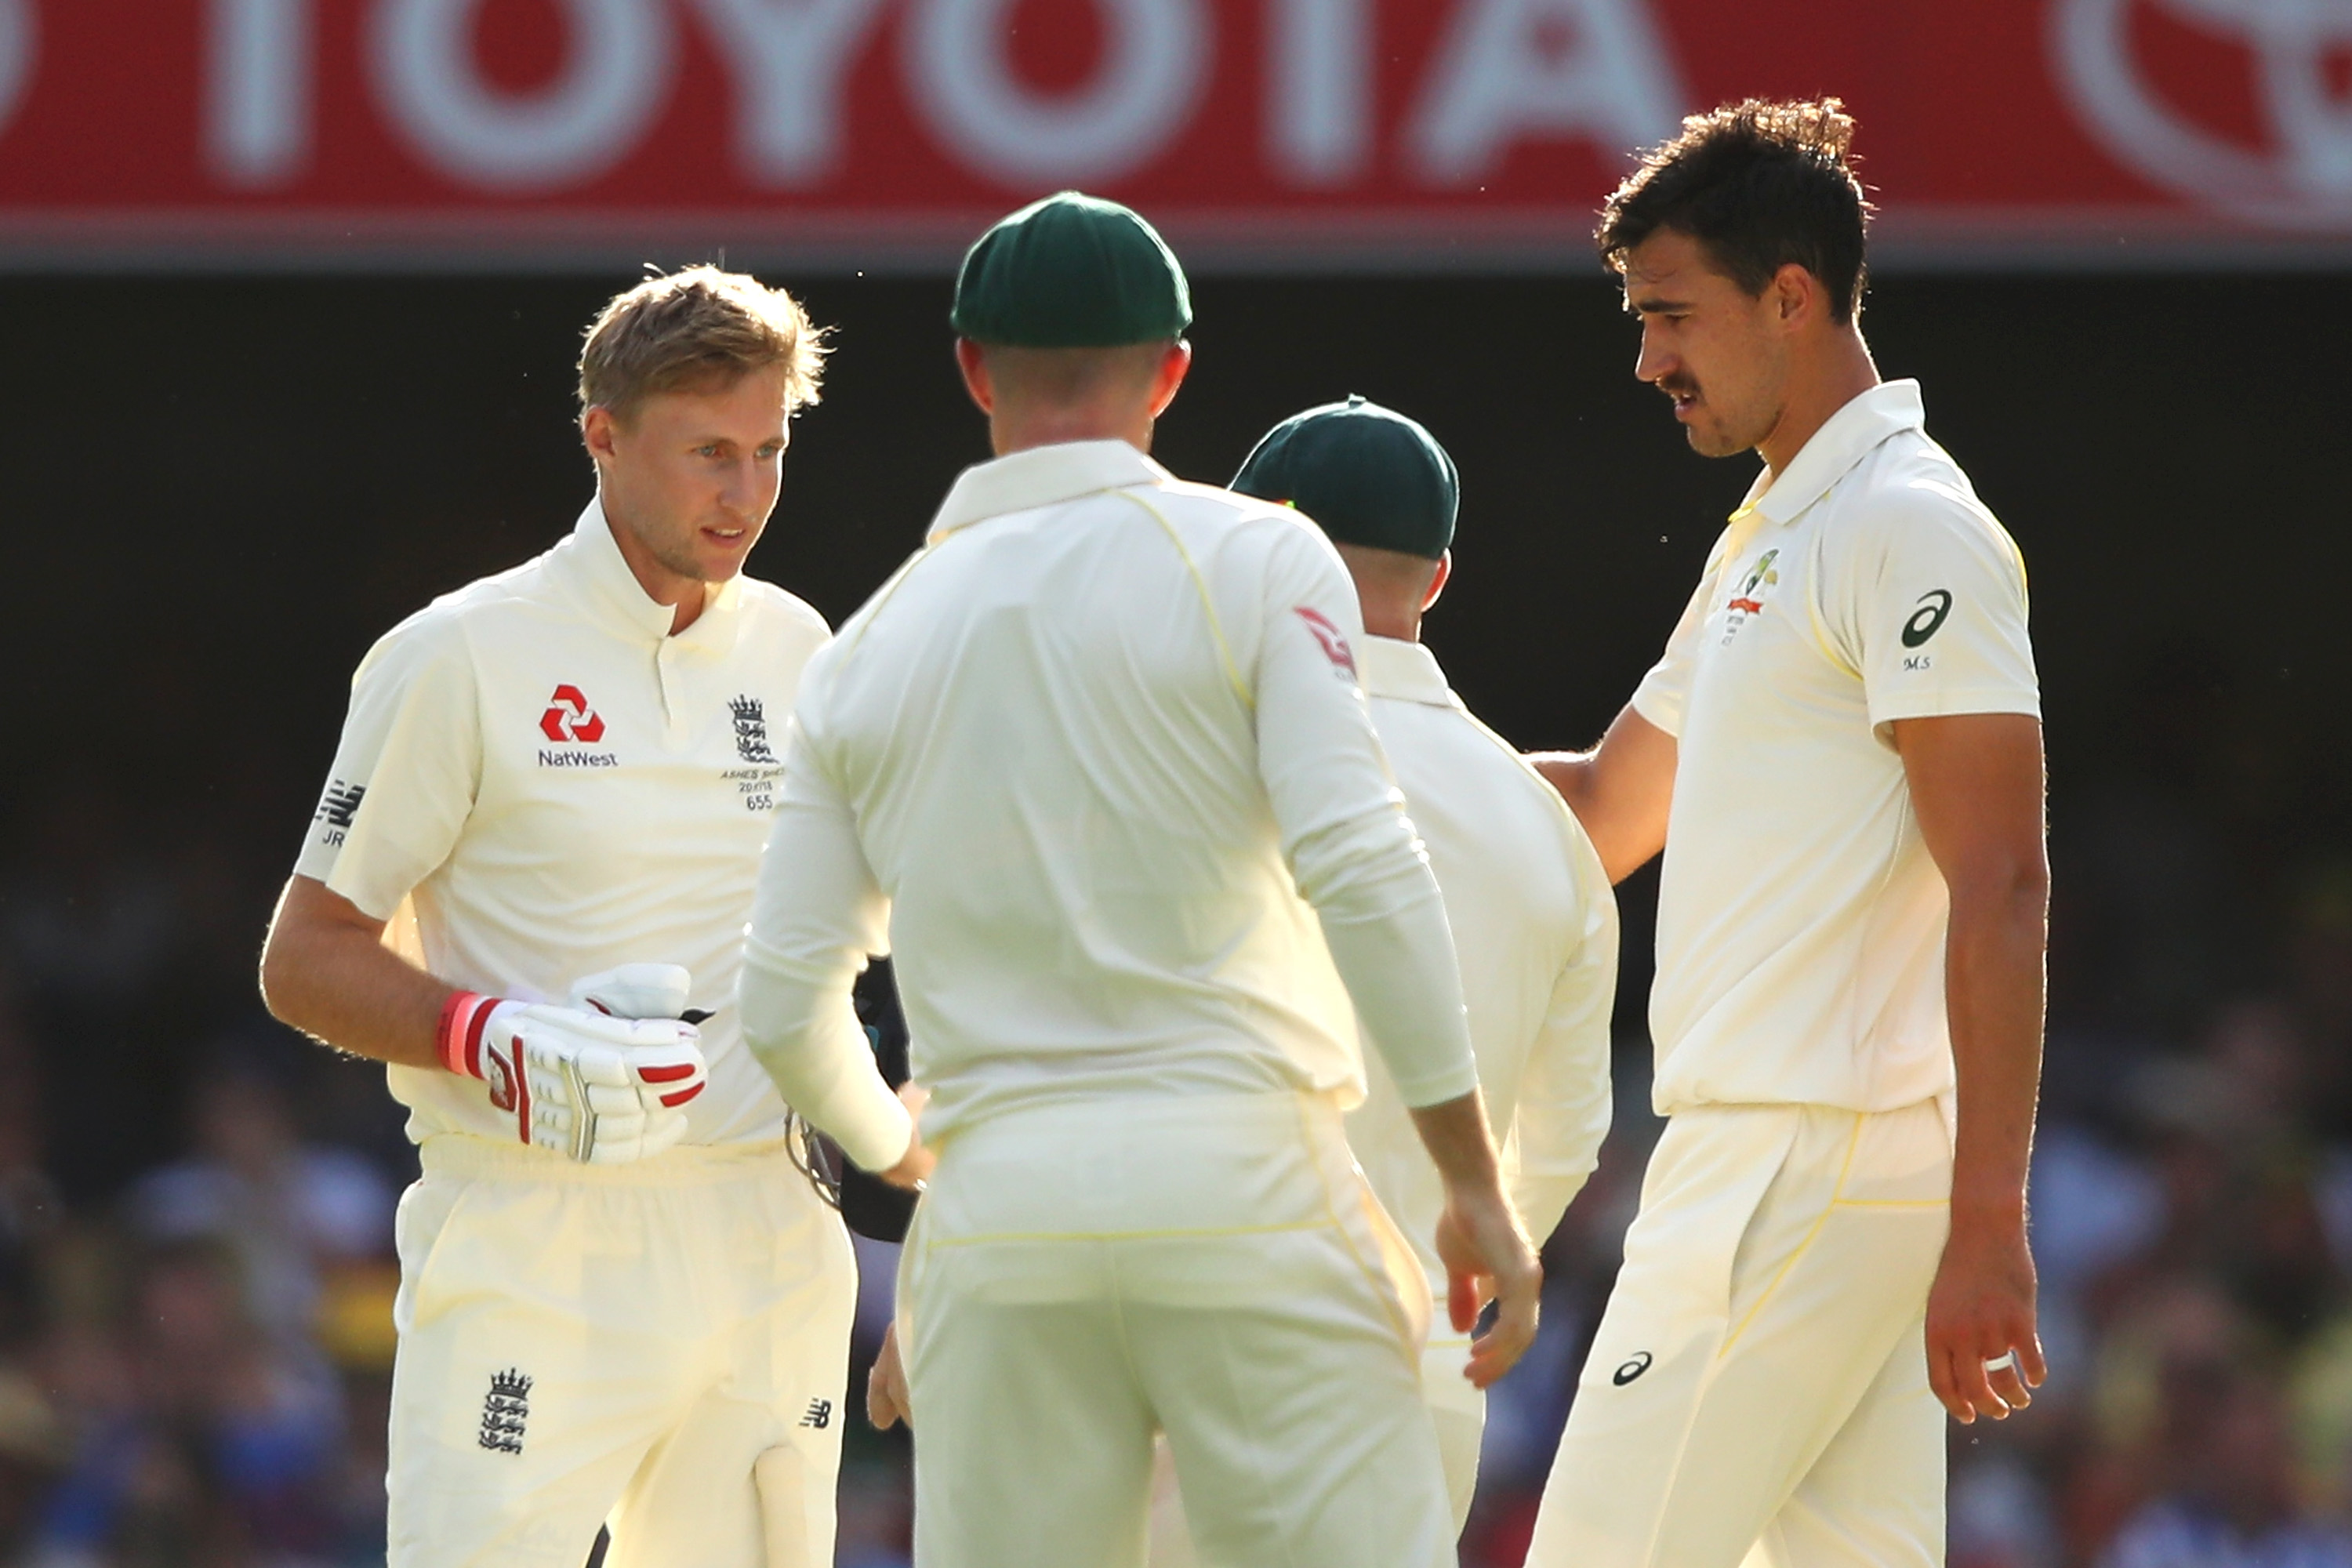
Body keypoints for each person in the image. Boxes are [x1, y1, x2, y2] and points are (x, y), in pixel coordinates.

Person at [736, 191, 1541, 1568]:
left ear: (972, 368)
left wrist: (907, 1155)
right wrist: (1472, 1179)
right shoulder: (1259, 555)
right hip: (1246, 1186)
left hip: (1001, 1223)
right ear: (1173, 372)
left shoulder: (865, 648)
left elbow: (779, 1007)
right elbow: (1360, 862)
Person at [259, 266, 919, 1568]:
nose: (745, 495)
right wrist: (483, 1033)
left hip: (768, 1232)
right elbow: (303, 958)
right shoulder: (458, 653)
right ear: (603, 438)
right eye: (709, 454)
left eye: (770, 450)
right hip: (536, 1233)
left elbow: (882, 957)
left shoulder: (803, 649)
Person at [1522, 100, 2049, 1568]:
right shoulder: (1776, 530)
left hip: (1802, 1171)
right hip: (1789, 1171)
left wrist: (1990, 1225)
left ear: (1793, 297)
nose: (1648, 361)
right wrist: (1344, 743)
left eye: (1671, 315)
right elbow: (1605, 814)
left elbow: (2003, 883)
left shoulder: (1906, 523)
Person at [1141, 396, 1619, 1559]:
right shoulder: (1541, 824)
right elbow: (1566, 1137)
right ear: (1438, 580)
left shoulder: (1192, 752)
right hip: (1420, 1382)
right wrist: (1452, 1268)